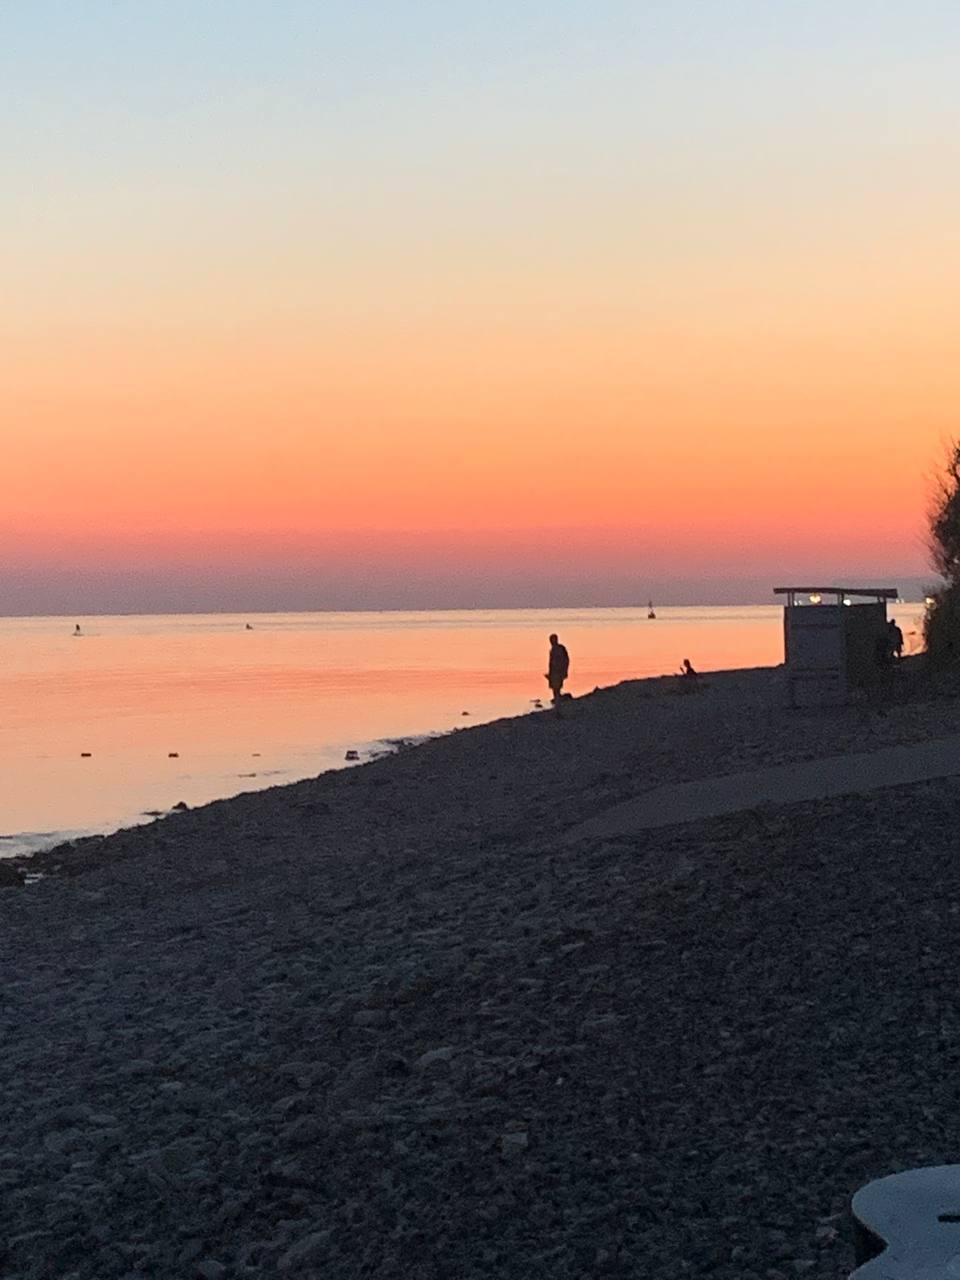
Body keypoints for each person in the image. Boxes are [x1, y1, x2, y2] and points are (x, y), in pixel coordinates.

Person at [546, 634, 569, 704]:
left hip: (558, 671)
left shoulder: (560, 648)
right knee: (555, 688)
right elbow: (551, 663)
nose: (551, 642)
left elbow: (566, 660)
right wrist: (549, 674)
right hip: (554, 672)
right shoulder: (552, 649)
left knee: (557, 687)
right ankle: (557, 701)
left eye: (552, 640)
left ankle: (558, 701)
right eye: (551, 640)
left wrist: (565, 670)